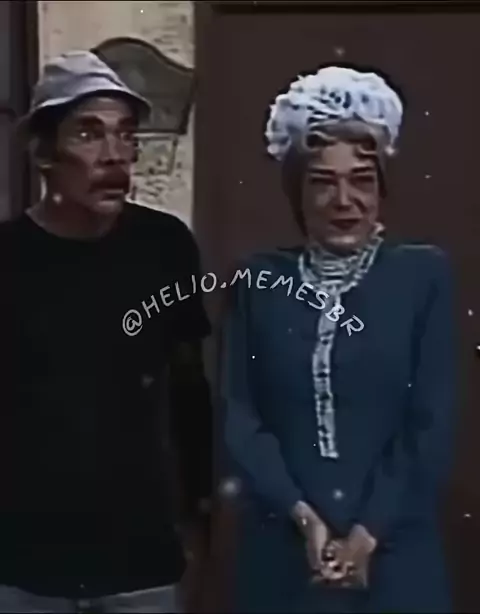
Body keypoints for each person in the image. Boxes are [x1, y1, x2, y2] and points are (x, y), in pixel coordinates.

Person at [221, 65, 456, 613]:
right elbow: (239, 414)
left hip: (395, 551)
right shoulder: (259, 280)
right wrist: (304, 517)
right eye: (323, 182)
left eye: (362, 180)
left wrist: (368, 534)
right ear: (296, 193)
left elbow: (431, 420)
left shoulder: (422, 276)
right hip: (285, 551)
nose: (343, 199)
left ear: (382, 189)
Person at [0, 50, 212, 613]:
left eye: (125, 135)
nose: (114, 155)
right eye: (89, 134)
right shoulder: (8, 258)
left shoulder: (165, 247)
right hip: (23, 570)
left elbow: (189, 392)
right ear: (44, 153)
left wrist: (199, 518)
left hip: (140, 563)